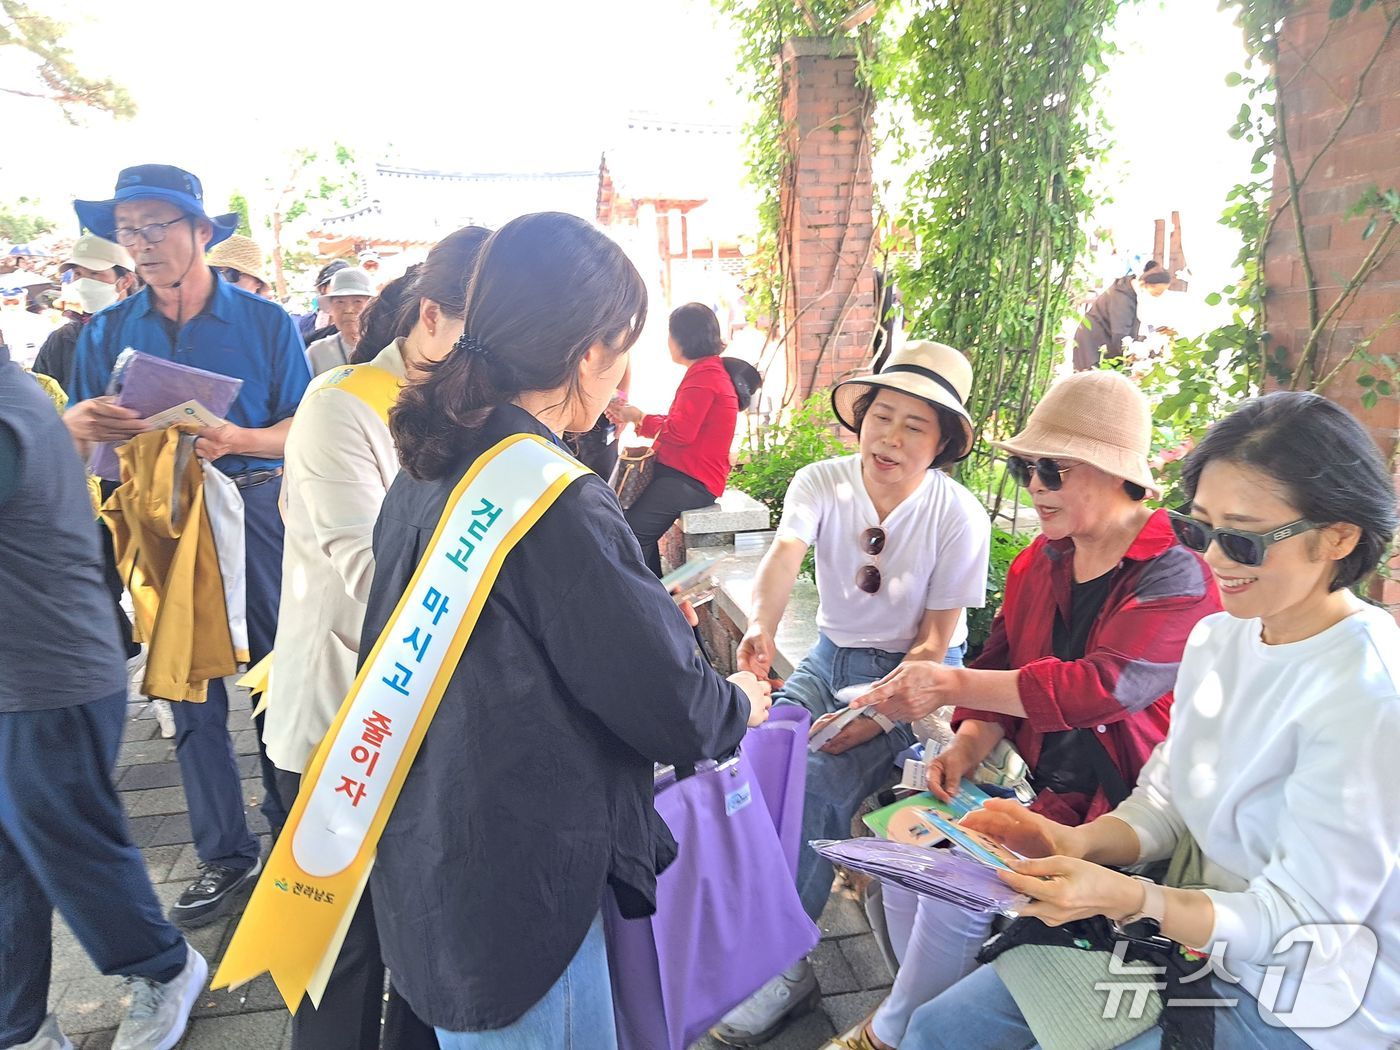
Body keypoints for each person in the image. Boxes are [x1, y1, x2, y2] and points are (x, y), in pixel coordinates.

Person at [362, 212, 772, 1048]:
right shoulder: (557, 497)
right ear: (589, 353)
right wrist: (738, 699)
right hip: (521, 880)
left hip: (434, 841)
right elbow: (668, 703)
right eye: (621, 347)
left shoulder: (435, 455)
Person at [902, 390, 1400, 1050]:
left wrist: (1131, 899)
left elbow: (1303, 923)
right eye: (1200, 530)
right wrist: (1073, 844)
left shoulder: (1369, 695)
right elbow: (1165, 802)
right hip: (1182, 940)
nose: (1215, 560)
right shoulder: (1221, 637)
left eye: (1243, 540)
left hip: (1300, 995)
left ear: (1340, 537)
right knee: (938, 1029)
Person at [820, 368, 1222, 1050]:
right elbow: (997, 669)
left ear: (1114, 472)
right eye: (1023, 468)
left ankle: (891, 1033)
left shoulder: (1177, 570)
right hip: (1052, 802)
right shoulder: (1040, 561)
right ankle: (908, 1019)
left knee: (959, 885)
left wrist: (946, 688)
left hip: (1133, 823)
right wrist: (964, 749)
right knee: (909, 852)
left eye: (1052, 470)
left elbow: (1100, 687)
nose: (1034, 485)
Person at [711, 341, 992, 1046]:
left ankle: (787, 963)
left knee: (815, 775)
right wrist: (762, 629)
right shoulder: (822, 482)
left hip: (914, 682)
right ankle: (752, 927)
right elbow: (783, 556)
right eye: (881, 416)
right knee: (755, 752)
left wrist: (880, 710)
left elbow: (934, 643)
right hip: (832, 655)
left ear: (943, 444)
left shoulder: (958, 516)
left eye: (914, 427)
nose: (890, 438)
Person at [65, 163, 310, 927]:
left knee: (278, 680)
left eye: (155, 227)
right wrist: (75, 427)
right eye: (128, 231)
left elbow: (305, 427)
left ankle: (300, 844)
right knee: (186, 690)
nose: (139, 245)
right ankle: (225, 857)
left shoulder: (267, 325)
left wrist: (238, 436)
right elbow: (75, 442)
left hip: (256, 515)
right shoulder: (103, 333)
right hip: (159, 524)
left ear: (202, 233)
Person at [263, 227, 489, 1050]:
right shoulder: (340, 406)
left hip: (431, 732)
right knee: (340, 970)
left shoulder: (474, 410)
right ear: (432, 317)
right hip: (340, 731)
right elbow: (374, 579)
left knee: (428, 959)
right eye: (487, 341)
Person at [1, 341, 207, 1050]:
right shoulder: (23, 401)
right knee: (16, 855)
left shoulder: (10, 416)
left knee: (71, 843)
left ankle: (165, 966)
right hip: (34, 675)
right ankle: (20, 1024)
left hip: (45, 682)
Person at [608, 302, 741, 575]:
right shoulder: (707, 371)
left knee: (631, 535)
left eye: (670, 334)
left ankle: (652, 602)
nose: (668, 342)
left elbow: (680, 432)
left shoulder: (704, 377)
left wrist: (640, 418)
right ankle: (654, 595)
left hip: (691, 480)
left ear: (683, 338)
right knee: (631, 531)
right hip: (686, 476)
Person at [32, 234, 138, 393]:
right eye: (78, 274)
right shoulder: (62, 340)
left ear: (125, 281)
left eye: (95, 273)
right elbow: (41, 395)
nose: (83, 283)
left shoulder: (145, 333)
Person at [1072, 259, 1172, 371]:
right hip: (1091, 345)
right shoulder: (1122, 299)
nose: (1157, 297)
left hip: (1105, 341)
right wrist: (1144, 352)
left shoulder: (1132, 291)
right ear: (1144, 284)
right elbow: (1121, 339)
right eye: (1157, 294)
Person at [305, 267, 375, 374]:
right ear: (331, 308)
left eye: (357, 301)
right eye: (340, 302)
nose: (348, 310)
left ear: (371, 307)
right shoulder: (317, 353)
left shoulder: (389, 347)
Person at [296, 259, 350, 342]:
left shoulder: (362, 321)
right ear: (323, 289)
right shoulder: (306, 322)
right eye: (337, 283)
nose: (343, 289)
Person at [208, 234, 273, 298]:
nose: (222, 280)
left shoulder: (267, 308)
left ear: (258, 282)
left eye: (232, 273)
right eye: (214, 272)